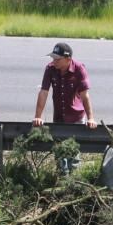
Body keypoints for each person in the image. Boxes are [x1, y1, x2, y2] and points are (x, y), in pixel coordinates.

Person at [32, 42, 94, 175]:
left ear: (68, 59)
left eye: (57, 59)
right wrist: (38, 117)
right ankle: (61, 179)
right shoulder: (50, 68)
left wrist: (91, 118)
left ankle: (73, 180)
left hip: (76, 117)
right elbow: (43, 92)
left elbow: (85, 96)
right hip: (59, 117)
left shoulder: (79, 69)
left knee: (73, 153)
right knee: (60, 154)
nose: (54, 61)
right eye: (53, 58)